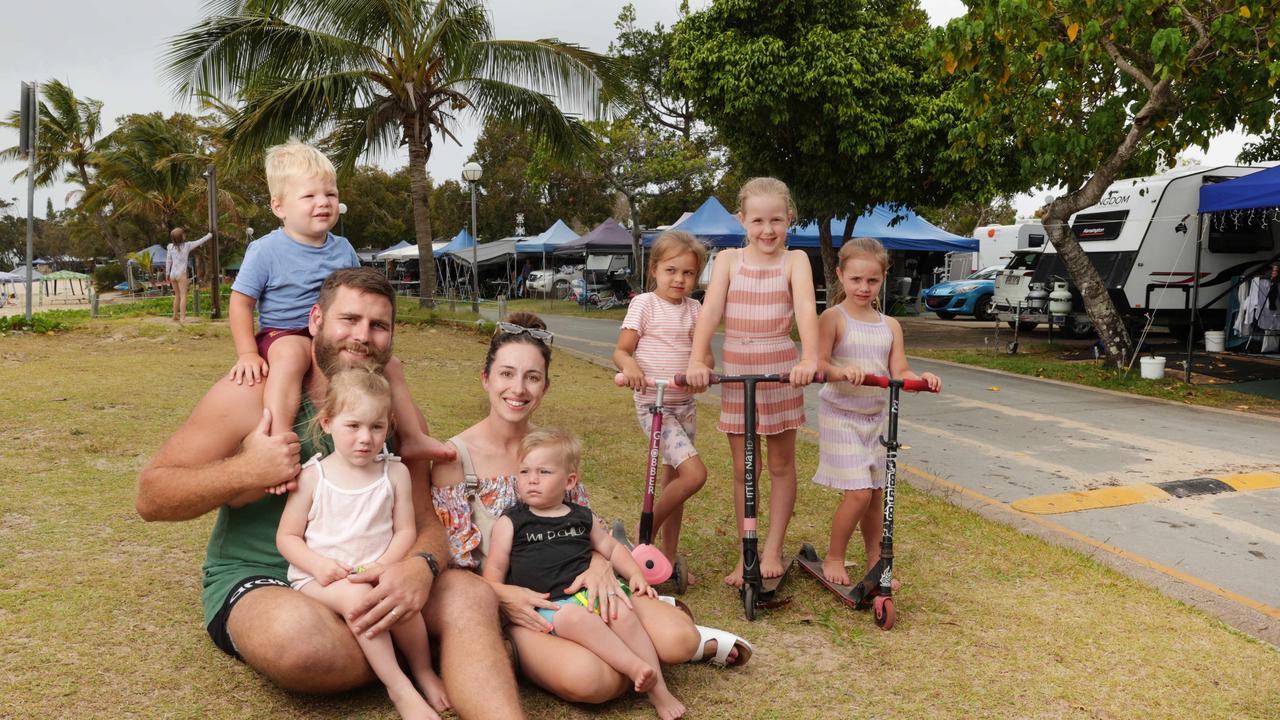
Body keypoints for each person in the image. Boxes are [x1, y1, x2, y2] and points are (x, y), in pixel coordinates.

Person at [136, 268, 521, 719]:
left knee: (471, 598)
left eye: (378, 326)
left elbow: (423, 522)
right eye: (349, 320)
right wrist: (246, 470)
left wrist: (421, 567)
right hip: (268, 578)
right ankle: (435, 656)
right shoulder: (253, 396)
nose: (362, 337)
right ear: (315, 320)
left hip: (374, 572)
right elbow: (151, 495)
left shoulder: (394, 417)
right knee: (300, 643)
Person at [431, 312, 753, 705]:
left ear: (545, 386)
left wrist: (601, 566)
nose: (518, 388)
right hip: (525, 606)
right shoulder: (454, 458)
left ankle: (668, 642)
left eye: (532, 377)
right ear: (486, 378)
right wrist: (503, 598)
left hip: (583, 586)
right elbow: (456, 569)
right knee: (593, 681)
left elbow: (586, 525)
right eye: (506, 374)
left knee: (679, 640)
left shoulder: (550, 451)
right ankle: (630, 654)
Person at [227, 140, 449, 466]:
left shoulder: (343, 247)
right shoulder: (265, 250)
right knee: (292, 357)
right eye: (309, 196)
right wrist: (247, 352)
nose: (323, 203)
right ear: (279, 207)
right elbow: (241, 302)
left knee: (393, 365)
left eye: (330, 195)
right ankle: (275, 441)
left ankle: (413, 437)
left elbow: (360, 294)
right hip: (285, 333)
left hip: (333, 332)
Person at [277, 368, 448, 719]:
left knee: (401, 603)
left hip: (376, 568)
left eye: (376, 427)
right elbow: (287, 537)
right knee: (362, 601)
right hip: (323, 578)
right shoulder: (313, 477)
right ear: (327, 423)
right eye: (352, 426)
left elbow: (404, 531)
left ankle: (423, 671)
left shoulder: (394, 473)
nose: (365, 438)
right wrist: (317, 565)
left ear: (389, 427)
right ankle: (399, 688)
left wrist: (386, 564)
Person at [483, 428, 686, 720]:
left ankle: (660, 692)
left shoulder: (581, 516)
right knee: (574, 618)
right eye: (524, 472)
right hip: (550, 605)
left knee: (623, 613)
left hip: (591, 593)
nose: (532, 479)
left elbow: (612, 548)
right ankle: (634, 666)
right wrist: (504, 601)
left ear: (570, 481)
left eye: (543, 472)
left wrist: (634, 575)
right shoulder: (512, 522)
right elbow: (495, 572)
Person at [682, 177, 820, 587]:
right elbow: (709, 313)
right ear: (742, 220)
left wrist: (810, 357)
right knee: (746, 468)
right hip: (738, 367)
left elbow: (806, 309)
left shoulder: (795, 261)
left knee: (779, 464)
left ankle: (773, 549)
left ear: (789, 218)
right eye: (757, 220)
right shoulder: (727, 261)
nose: (767, 230)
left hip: (779, 364)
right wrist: (697, 358)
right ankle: (748, 551)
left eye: (776, 220)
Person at [813, 238, 941, 585]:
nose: (863, 287)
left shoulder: (890, 326)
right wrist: (841, 371)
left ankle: (875, 561)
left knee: (875, 496)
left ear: (883, 277)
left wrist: (921, 379)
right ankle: (834, 556)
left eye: (872, 280)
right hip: (840, 414)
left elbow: (900, 370)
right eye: (855, 279)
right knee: (858, 493)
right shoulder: (832, 318)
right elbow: (819, 365)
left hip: (876, 419)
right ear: (840, 275)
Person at [613, 230, 709, 583]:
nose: (679, 279)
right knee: (695, 475)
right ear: (654, 269)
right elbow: (621, 350)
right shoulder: (644, 305)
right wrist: (630, 366)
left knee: (676, 481)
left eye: (687, 273)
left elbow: (704, 355)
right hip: (655, 407)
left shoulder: (696, 309)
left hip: (684, 404)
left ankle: (667, 554)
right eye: (671, 271)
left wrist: (703, 370)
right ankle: (644, 539)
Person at [166, 226, 211, 323]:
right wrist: (209, 235)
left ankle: (175, 316)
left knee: (177, 295)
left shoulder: (170, 247)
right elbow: (200, 241)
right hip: (181, 273)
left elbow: (168, 261)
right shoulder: (187, 245)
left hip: (172, 274)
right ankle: (182, 318)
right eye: (183, 233)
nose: (185, 234)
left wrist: (166, 273)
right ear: (181, 237)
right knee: (183, 296)